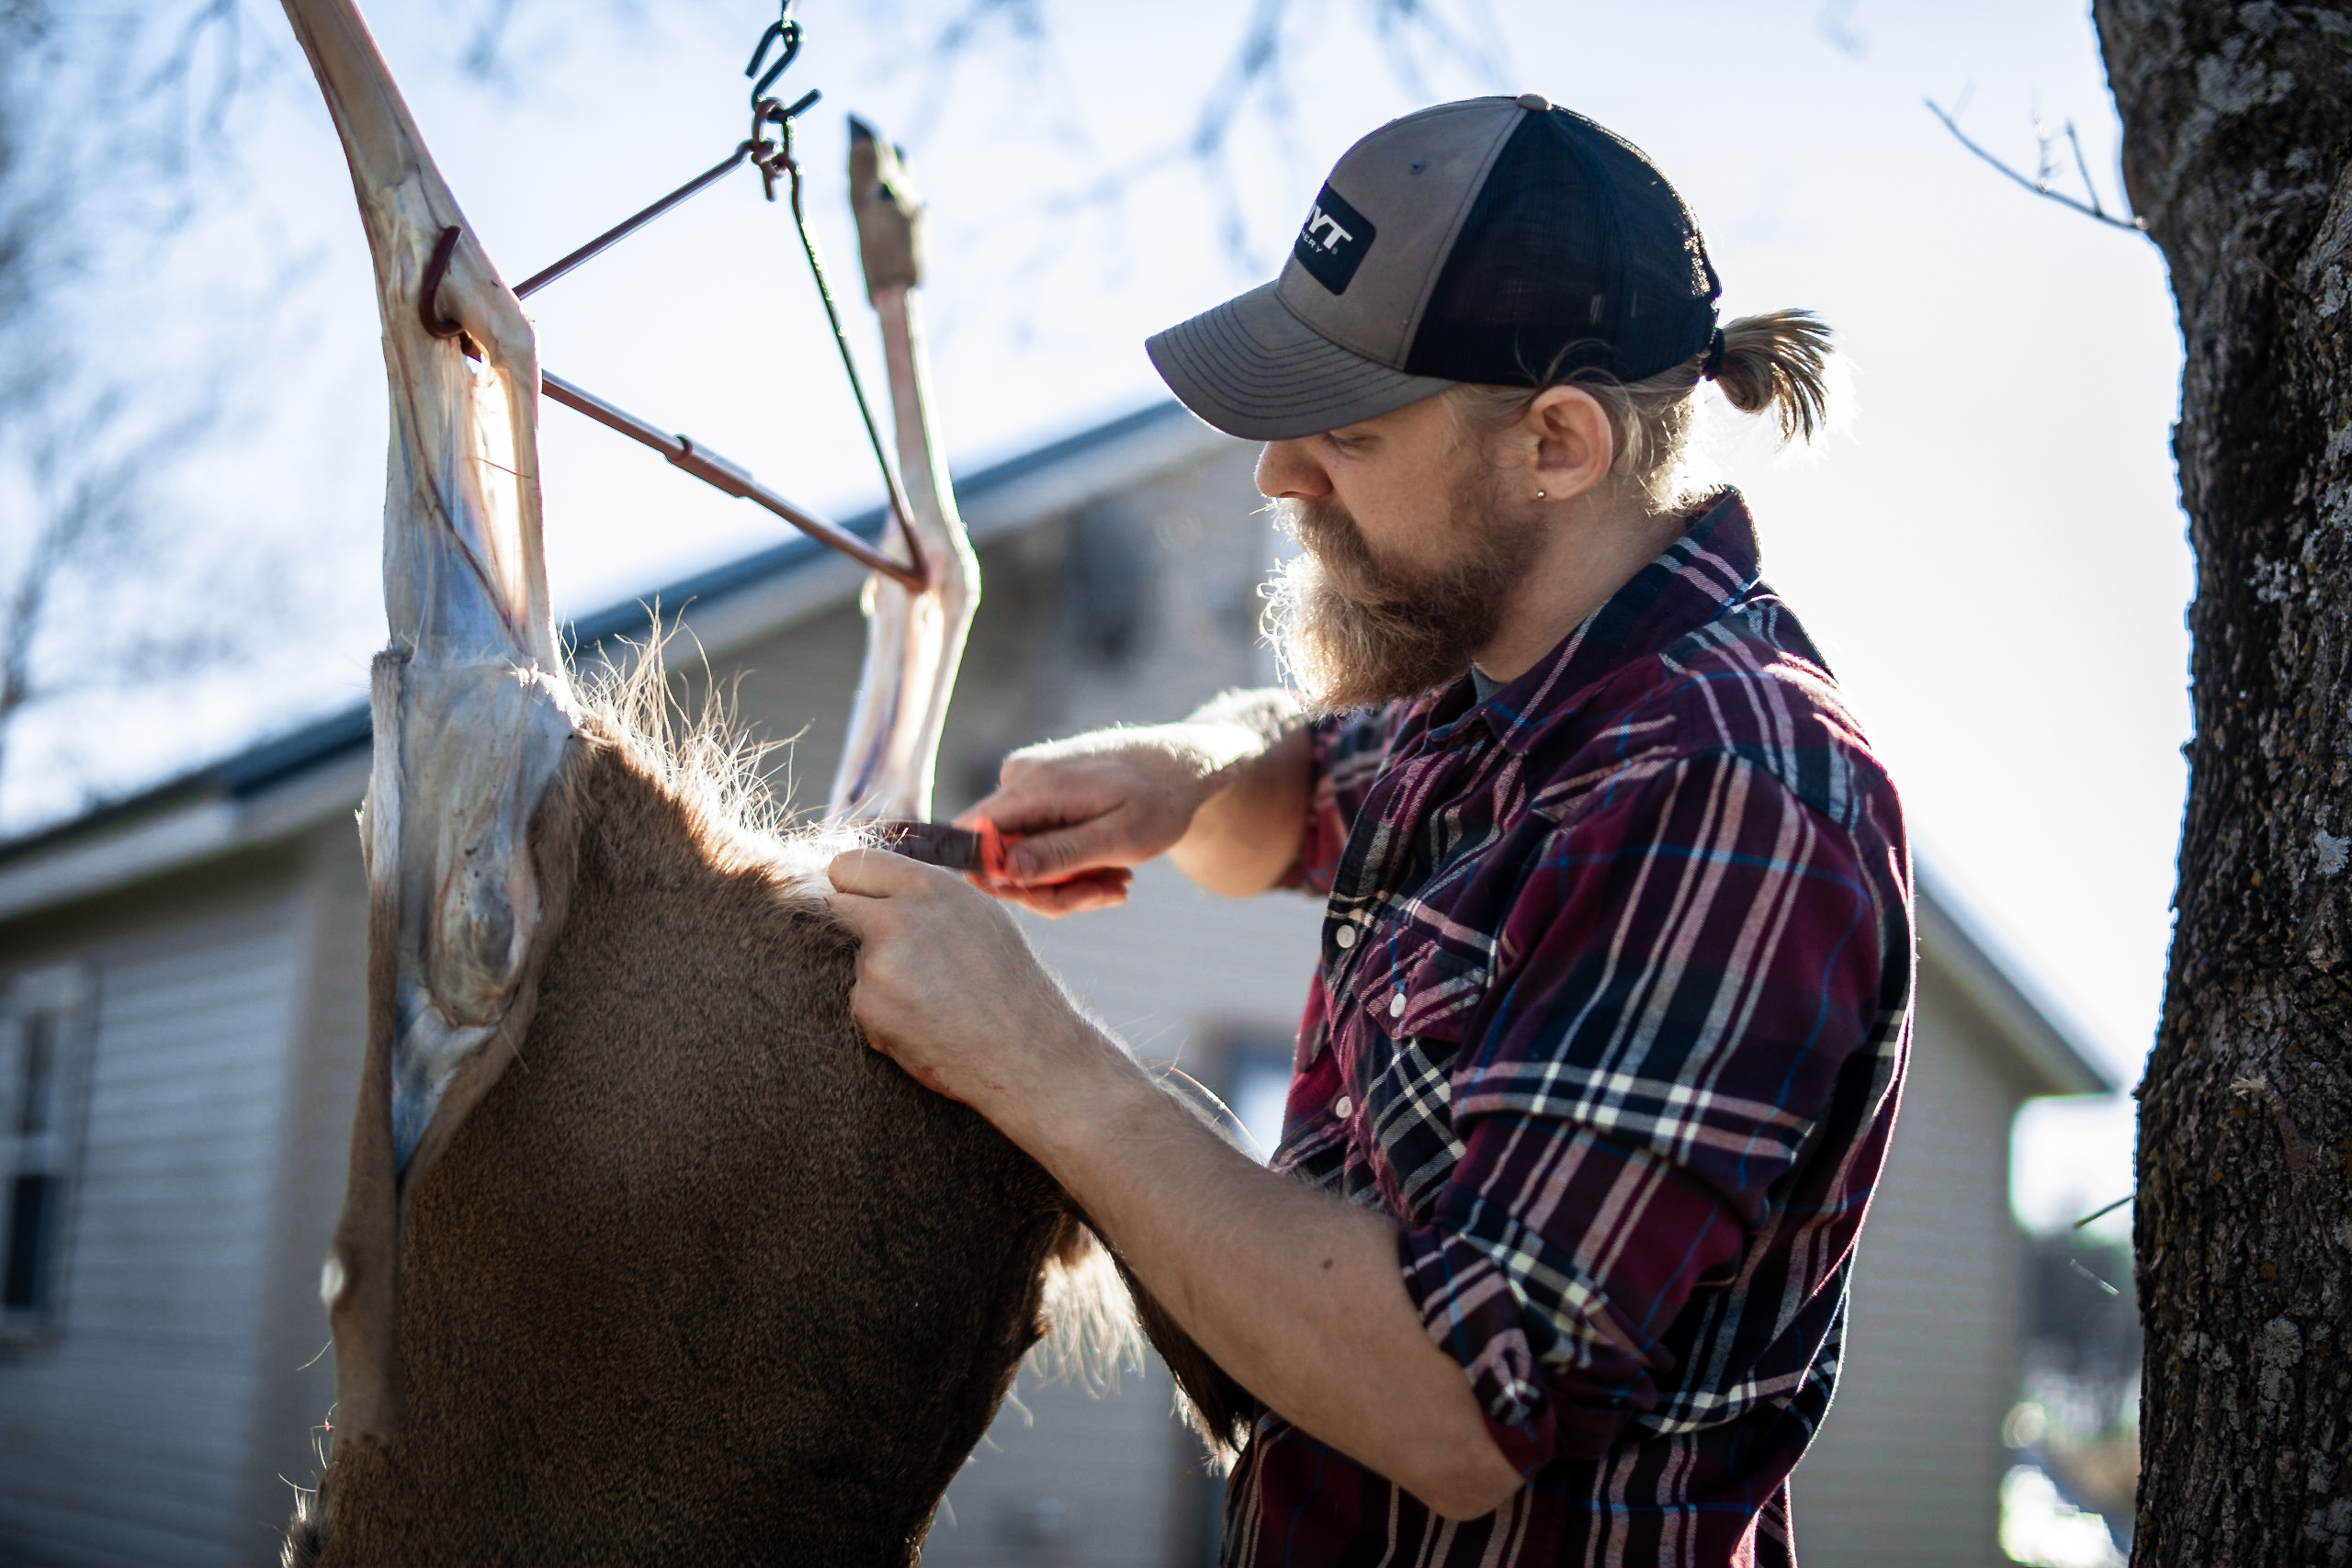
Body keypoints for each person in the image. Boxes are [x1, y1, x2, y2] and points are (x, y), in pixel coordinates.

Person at [827, 95, 1913, 1568]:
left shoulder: (1728, 789)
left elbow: (1458, 1403)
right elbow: (1297, 796)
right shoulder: (1491, 698)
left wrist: (1034, 1059)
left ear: (1557, 442)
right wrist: (1188, 771)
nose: (1280, 475)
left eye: (1345, 430)